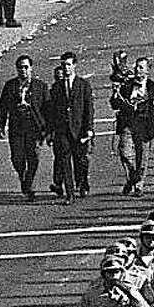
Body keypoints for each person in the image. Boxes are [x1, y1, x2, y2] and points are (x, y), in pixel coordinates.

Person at [110, 56, 154, 196]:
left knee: (142, 157)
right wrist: (115, 94)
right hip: (128, 125)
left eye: (141, 67)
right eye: (136, 67)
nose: (137, 70)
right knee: (125, 153)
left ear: (147, 71)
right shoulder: (126, 85)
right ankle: (133, 176)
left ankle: (138, 186)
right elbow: (115, 105)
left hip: (145, 126)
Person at [0, 54, 49, 200]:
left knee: (33, 156)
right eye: (20, 67)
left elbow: (47, 108)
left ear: (31, 68)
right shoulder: (10, 86)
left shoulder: (40, 86)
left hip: (34, 127)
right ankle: (22, 174)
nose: (23, 70)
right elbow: (3, 107)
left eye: (26, 67)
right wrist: (0, 126)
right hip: (17, 127)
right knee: (17, 157)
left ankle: (29, 183)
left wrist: (48, 128)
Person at [48, 50, 95, 201]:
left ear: (74, 65)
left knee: (80, 160)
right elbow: (52, 111)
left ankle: (81, 182)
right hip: (62, 130)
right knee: (64, 160)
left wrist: (88, 129)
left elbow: (88, 108)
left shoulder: (83, 85)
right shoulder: (56, 87)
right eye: (63, 65)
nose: (66, 68)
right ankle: (69, 194)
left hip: (79, 129)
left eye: (68, 65)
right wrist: (51, 131)